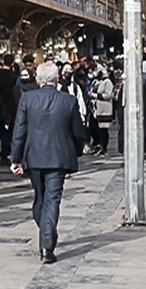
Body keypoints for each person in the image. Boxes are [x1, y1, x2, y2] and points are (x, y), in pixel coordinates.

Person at [10, 62, 88, 264]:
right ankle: (48, 240)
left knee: (41, 199)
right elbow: (78, 133)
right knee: (49, 201)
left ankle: (47, 242)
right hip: (58, 157)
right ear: (56, 79)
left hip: (35, 157)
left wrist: (15, 158)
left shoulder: (27, 99)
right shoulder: (68, 101)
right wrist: (77, 153)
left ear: (38, 80)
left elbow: (19, 131)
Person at [0, 54, 18, 165]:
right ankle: (4, 156)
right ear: (12, 64)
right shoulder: (14, 77)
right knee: (6, 133)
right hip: (8, 108)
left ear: (2, 62)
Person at [89, 66, 115, 156]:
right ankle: (98, 145)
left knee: (103, 129)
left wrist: (95, 95)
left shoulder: (108, 83)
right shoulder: (97, 82)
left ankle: (104, 147)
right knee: (94, 128)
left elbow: (108, 95)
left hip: (105, 109)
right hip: (96, 109)